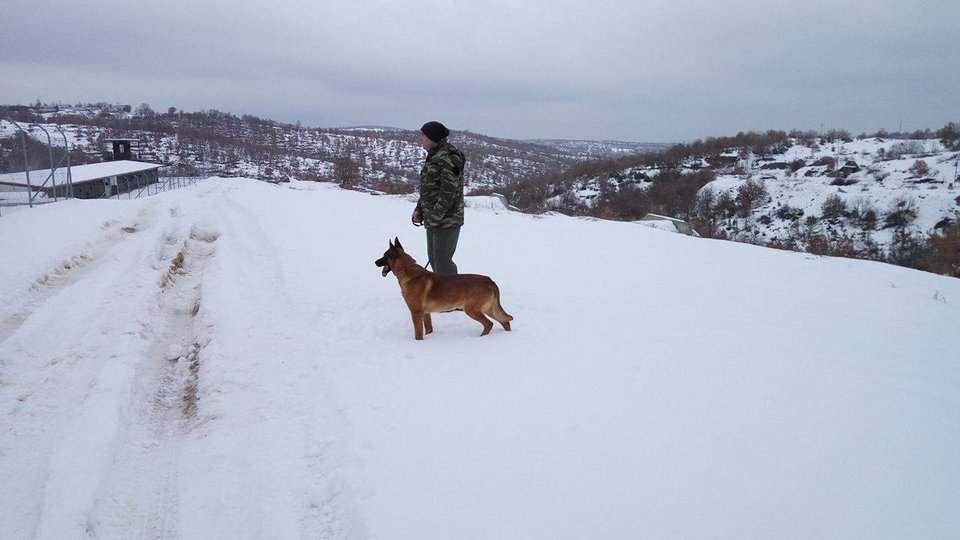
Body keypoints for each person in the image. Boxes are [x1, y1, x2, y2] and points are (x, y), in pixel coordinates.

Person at [411, 121, 465, 275]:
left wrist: (436, 215)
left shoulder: (449, 157)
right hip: (433, 217)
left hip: (447, 218)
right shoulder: (434, 155)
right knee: (434, 259)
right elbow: (429, 188)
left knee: (442, 261)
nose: (420, 138)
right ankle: (443, 294)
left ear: (433, 137)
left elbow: (449, 191)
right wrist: (419, 209)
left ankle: (453, 295)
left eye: (423, 135)